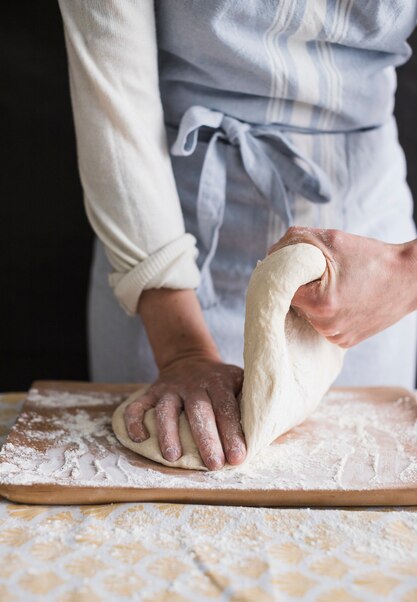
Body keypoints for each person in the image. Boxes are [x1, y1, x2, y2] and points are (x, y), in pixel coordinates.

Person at [58, 1, 417, 470]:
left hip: (367, 246)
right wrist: (181, 349)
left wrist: (406, 271)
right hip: (156, 239)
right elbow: (113, 93)